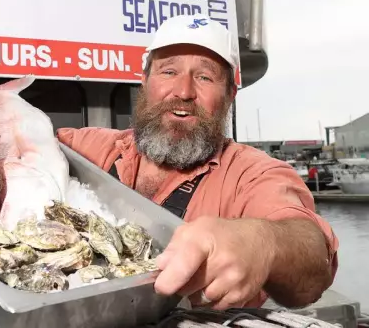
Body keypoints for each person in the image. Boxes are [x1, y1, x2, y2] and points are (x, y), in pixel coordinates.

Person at [56, 15, 338, 310]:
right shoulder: (91, 146)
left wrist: (263, 242)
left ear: (229, 95)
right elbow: (19, 136)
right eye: (168, 71)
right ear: (144, 82)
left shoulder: (253, 173)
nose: (183, 92)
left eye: (204, 77)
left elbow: (313, 264)